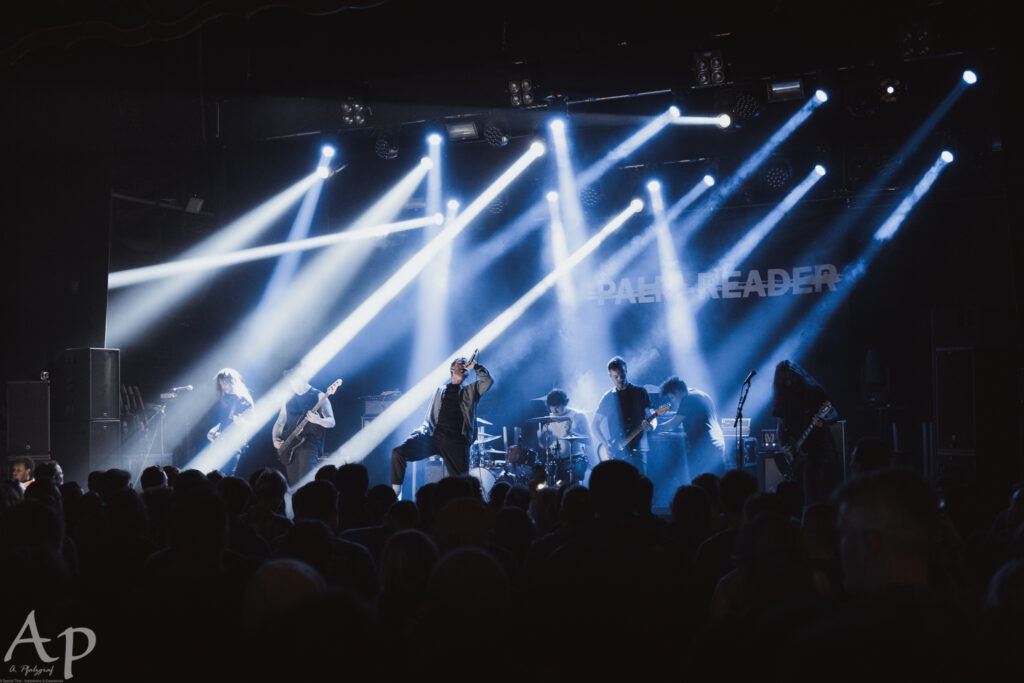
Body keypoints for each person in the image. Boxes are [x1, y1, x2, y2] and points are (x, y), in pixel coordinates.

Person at [390, 354, 493, 497]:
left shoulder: (471, 390)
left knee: (462, 483)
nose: (463, 365)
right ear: (452, 368)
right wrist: (419, 432)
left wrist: (475, 366)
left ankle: (464, 509)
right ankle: (395, 495)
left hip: (456, 440)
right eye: (460, 363)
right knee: (398, 453)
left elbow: (487, 381)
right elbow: (430, 415)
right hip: (433, 436)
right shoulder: (440, 390)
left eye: (465, 363)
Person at [771, 359, 842, 507]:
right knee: (799, 497)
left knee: (818, 495)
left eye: (790, 377)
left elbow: (833, 412)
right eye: (784, 379)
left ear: (797, 375)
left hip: (819, 452)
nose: (789, 382)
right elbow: (781, 427)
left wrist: (823, 420)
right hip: (798, 456)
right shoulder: (783, 399)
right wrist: (785, 447)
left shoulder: (814, 392)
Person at [591, 355, 659, 476]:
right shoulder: (608, 397)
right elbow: (595, 425)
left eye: (622, 375)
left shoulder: (640, 392)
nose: (619, 379)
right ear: (610, 376)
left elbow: (652, 416)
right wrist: (606, 445)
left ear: (626, 371)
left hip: (639, 448)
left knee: (640, 485)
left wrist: (651, 425)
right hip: (617, 450)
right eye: (616, 377)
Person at [272, 366, 338, 488]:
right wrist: (275, 439)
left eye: (293, 381)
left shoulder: (319, 396)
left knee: (305, 485)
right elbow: (280, 422)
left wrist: (318, 420)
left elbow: (331, 422)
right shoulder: (287, 399)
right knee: (293, 485)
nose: (291, 385)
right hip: (290, 445)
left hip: (309, 446)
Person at [658, 375, 727, 478]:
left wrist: (655, 426)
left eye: (672, 397)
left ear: (677, 392)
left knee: (701, 484)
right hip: (717, 444)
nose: (673, 401)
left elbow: (673, 424)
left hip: (704, 448)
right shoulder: (701, 394)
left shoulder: (687, 399)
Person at [535, 388, 594, 487]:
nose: (555, 410)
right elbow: (543, 445)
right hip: (555, 462)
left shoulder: (577, 416)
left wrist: (571, 432)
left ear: (565, 403)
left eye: (558, 406)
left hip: (574, 460)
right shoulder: (548, 420)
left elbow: (589, 440)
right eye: (552, 407)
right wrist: (541, 439)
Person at [206, 367, 255, 476]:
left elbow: (252, 423)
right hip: (221, 442)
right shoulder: (225, 398)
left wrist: (241, 422)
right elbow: (224, 421)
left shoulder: (243, 399)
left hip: (235, 443)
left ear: (233, 382)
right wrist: (213, 431)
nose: (223, 387)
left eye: (225, 383)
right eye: (221, 384)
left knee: (229, 475)